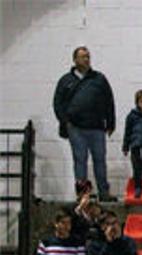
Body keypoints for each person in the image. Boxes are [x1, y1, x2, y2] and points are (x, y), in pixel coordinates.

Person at [53, 47, 116, 201]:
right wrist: (65, 121)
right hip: (76, 128)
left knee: (100, 160)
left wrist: (111, 122)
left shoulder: (99, 79)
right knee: (80, 160)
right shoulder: (65, 80)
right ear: (75, 60)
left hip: (97, 127)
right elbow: (57, 103)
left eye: (88, 56)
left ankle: (104, 192)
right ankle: (83, 195)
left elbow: (109, 100)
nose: (86, 59)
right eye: (82, 57)